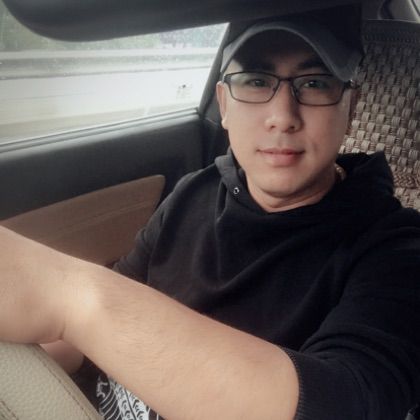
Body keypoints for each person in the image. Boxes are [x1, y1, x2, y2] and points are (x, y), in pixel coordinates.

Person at [1, 5, 420, 420]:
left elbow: (350, 401)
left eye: (314, 84)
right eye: (256, 81)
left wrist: (71, 297)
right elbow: (95, 331)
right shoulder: (193, 192)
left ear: (350, 107)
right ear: (224, 104)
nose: (282, 117)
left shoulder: (395, 249)